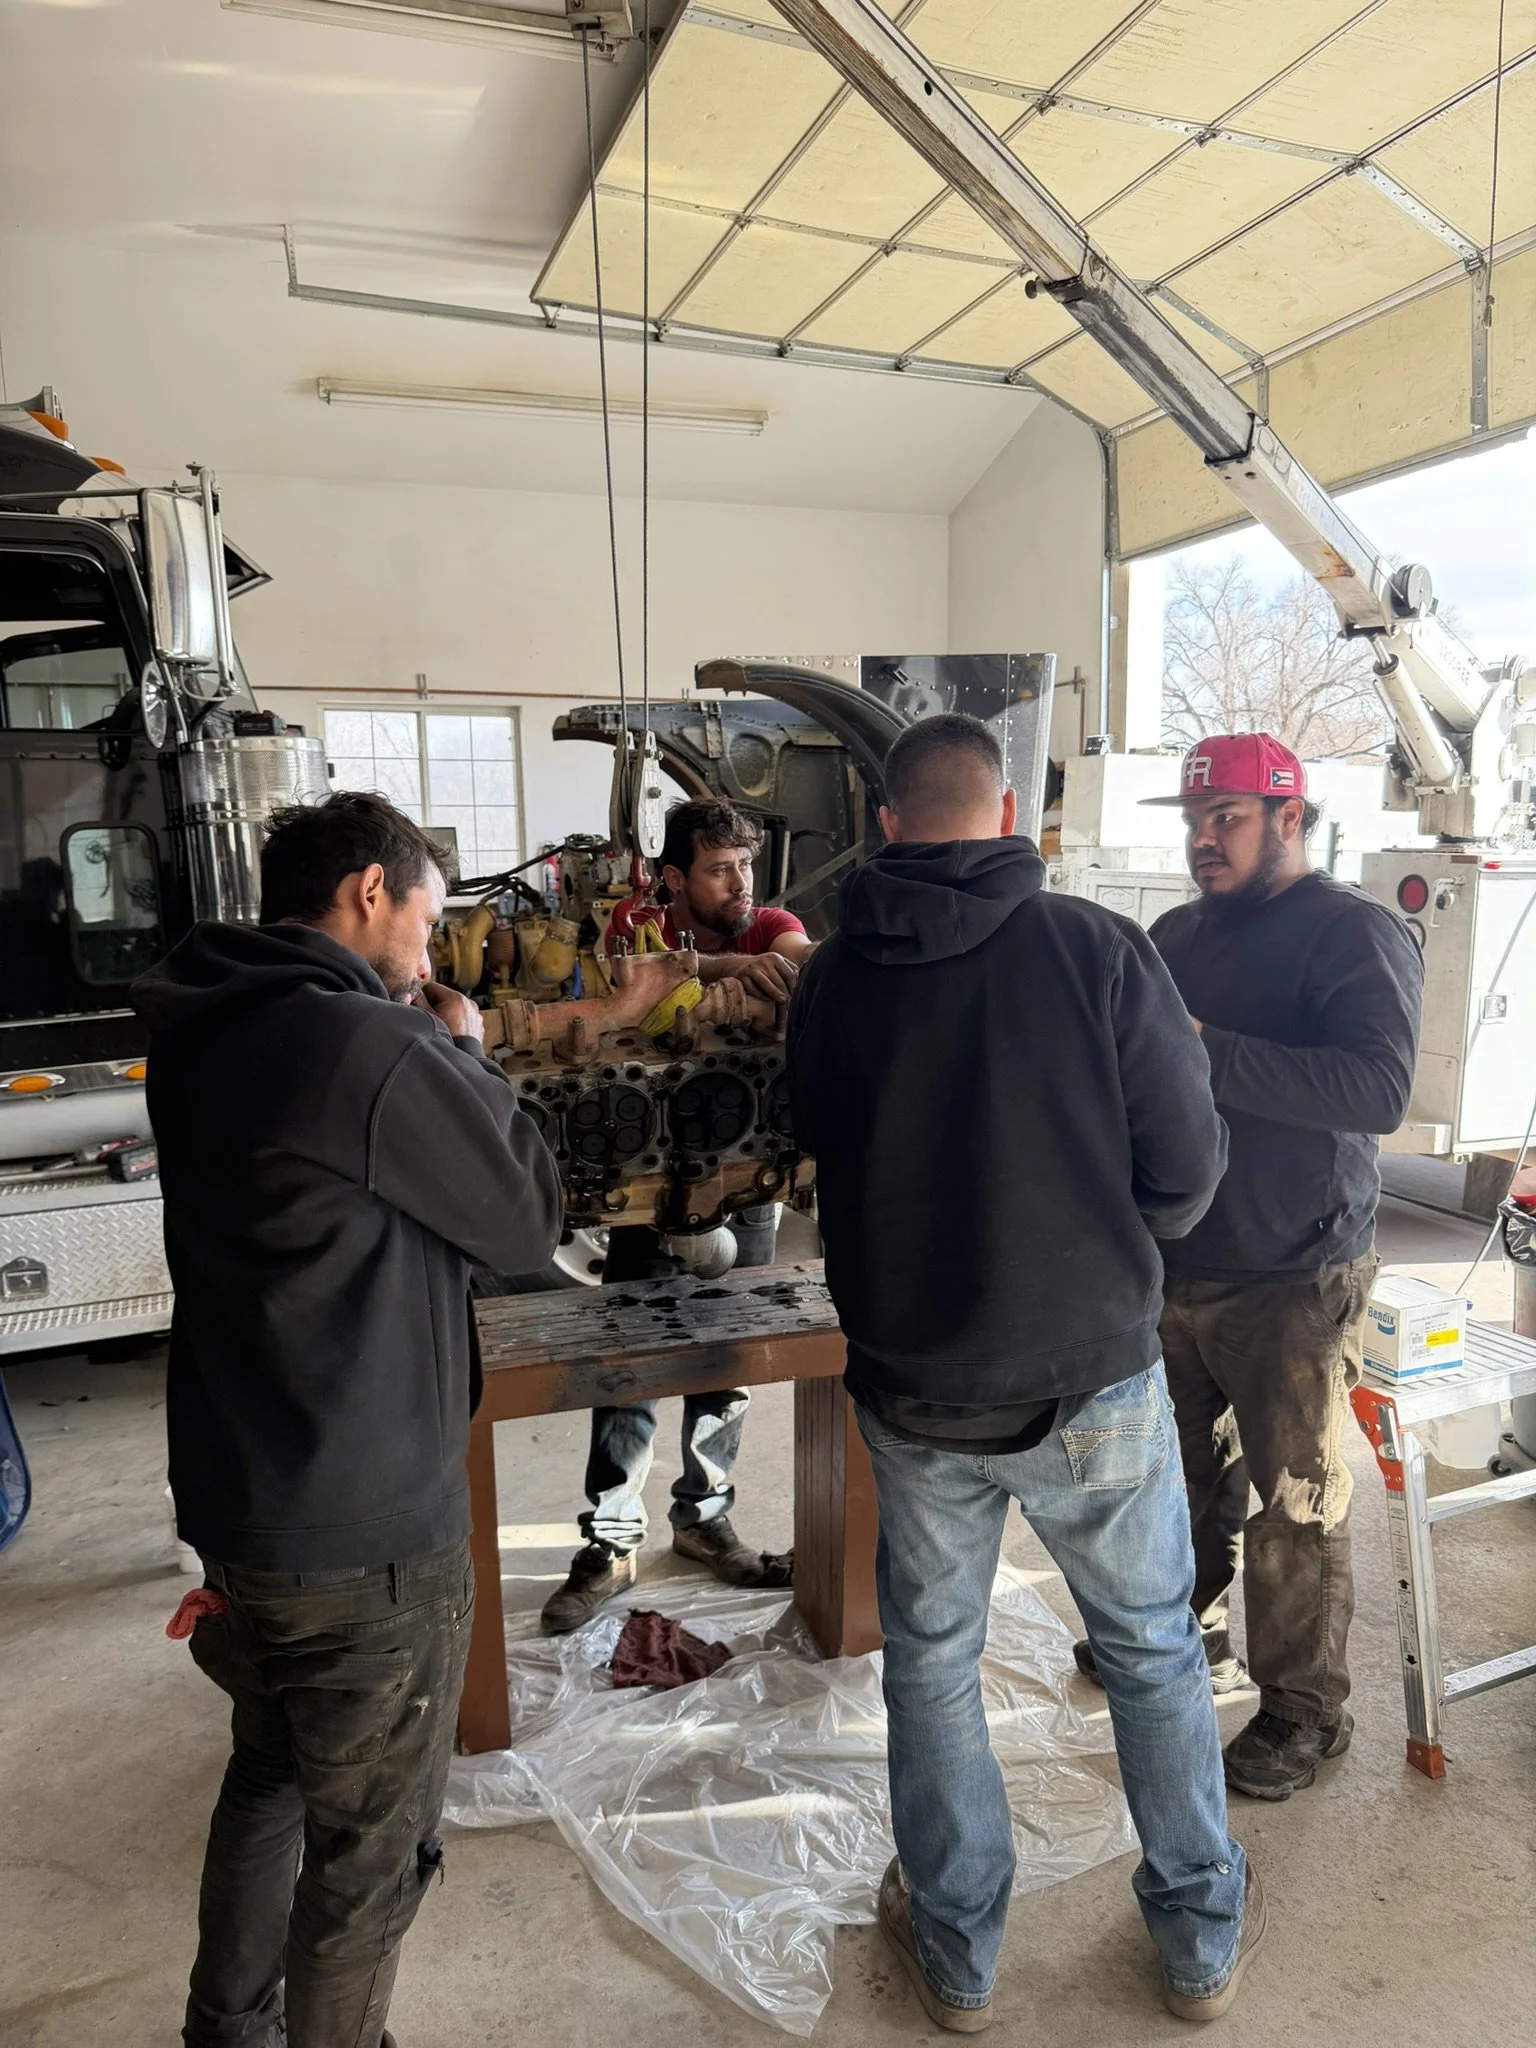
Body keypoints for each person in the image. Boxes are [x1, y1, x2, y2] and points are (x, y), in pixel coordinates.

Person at [788, 713, 1261, 2029]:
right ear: (1009, 819)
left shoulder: (833, 974)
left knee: (934, 1666)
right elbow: (1186, 1172)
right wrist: (1100, 1234)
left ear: (887, 823)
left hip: (914, 1384)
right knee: (1155, 1651)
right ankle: (1196, 1944)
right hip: (1090, 1374)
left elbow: (813, 1139)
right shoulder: (1098, 951)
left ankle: (959, 1956)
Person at [133, 792, 562, 2048]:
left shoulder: (203, 1028)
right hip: (365, 1532)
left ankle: (226, 2028)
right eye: (426, 922)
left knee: (269, 1767)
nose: (432, 957)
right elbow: (523, 1217)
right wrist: (464, 1048)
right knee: (371, 1852)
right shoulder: (364, 1049)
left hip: (240, 1498)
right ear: (369, 890)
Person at [1100, 731, 1422, 1801]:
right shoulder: (1174, 932)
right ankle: (1184, 1629)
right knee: (1179, 1475)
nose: (1202, 837)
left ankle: (1304, 1709)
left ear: (1291, 817)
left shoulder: (1351, 931)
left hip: (1293, 1268)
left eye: (1226, 817)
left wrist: (1204, 1046)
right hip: (1178, 1258)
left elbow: (1376, 1089)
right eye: (1193, 819)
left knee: (1295, 1501)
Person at [541, 799, 809, 1633]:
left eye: (745, 867)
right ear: (674, 877)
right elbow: (634, 981)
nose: (740, 885)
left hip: (744, 1177)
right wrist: (728, 974)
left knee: (725, 1362)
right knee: (631, 1357)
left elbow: (803, 960)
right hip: (644, 1179)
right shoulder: (634, 921)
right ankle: (611, 1540)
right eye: (719, 869)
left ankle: (704, 1519)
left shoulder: (772, 922)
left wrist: (723, 971)